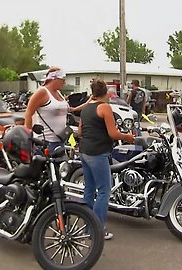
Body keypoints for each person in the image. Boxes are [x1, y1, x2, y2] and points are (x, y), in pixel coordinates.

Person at [79, 78, 134, 240]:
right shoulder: (105, 108)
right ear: (108, 93)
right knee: (104, 190)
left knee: (89, 190)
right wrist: (128, 137)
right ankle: (97, 230)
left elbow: (80, 132)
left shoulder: (86, 109)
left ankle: (87, 227)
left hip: (84, 151)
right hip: (98, 153)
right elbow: (113, 134)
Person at [25, 67, 83, 151]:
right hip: (46, 142)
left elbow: (68, 109)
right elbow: (29, 113)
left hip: (60, 140)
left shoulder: (58, 93)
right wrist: (28, 137)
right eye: (62, 79)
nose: (64, 82)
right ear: (54, 79)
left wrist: (88, 102)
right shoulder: (42, 92)